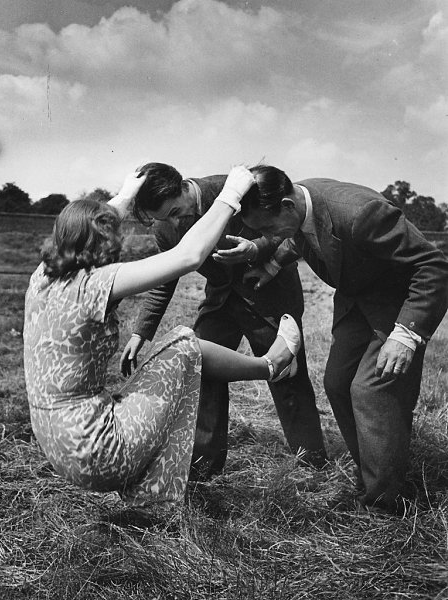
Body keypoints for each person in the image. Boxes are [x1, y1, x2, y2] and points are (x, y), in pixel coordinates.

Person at [23, 165, 302, 513]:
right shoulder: (93, 283)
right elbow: (187, 257)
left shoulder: (42, 277)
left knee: (175, 358)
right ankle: (271, 365)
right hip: (97, 450)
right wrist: (231, 193)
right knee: (184, 343)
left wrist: (126, 195)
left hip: (57, 447)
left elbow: (90, 228)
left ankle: (154, 496)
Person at [228, 165, 448, 514]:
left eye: (267, 228)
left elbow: (433, 267)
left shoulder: (361, 213)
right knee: (337, 382)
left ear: (286, 206)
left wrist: (406, 335)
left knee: (372, 390)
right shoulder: (296, 205)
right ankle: (373, 471)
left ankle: (384, 504)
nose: (267, 237)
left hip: (397, 302)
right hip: (355, 298)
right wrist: (271, 267)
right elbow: (295, 238)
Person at [120, 163, 327, 480]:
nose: (174, 222)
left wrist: (256, 249)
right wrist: (140, 332)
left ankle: (312, 464)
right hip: (220, 299)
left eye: (175, 211)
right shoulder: (164, 228)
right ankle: (204, 467)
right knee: (201, 368)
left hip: (268, 292)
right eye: (163, 218)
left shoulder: (235, 188)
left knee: (287, 375)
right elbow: (165, 277)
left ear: (184, 187)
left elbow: (285, 229)